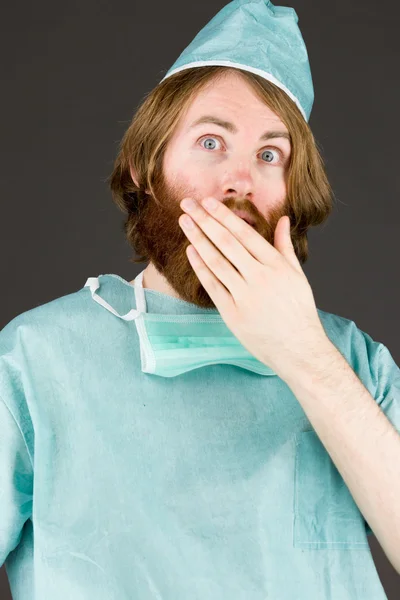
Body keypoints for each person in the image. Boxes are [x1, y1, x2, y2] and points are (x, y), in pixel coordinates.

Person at [1, 1, 399, 598]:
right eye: (212, 141)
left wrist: (306, 359)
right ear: (142, 168)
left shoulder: (354, 362)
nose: (239, 179)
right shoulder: (35, 362)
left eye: (270, 154)